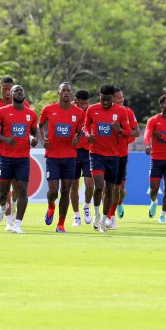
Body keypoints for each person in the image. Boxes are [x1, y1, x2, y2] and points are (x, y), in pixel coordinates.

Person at [0, 85, 38, 234]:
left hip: (23, 158)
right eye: (16, 90)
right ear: (10, 94)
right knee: (2, 193)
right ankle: (3, 207)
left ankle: (18, 224)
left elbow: (33, 133)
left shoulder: (31, 114)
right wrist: (4, 139)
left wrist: (34, 139)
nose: (19, 91)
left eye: (21, 90)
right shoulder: (2, 111)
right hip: (5, 157)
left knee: (22, 189)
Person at [0, 76, 30, 230]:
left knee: (18, 187)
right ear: (0, 88)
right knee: (4, 187)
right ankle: (8, 217)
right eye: (5, 88)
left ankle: (13, 209)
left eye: (11, 88)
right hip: (1, 150)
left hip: (20, 151)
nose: (8, 91)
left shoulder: (24, 105)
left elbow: (28, 126)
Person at [83, 84, 131, 232]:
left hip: (113, 156)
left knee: (109, 189)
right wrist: (87, 135)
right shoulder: (92, 109)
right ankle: (97, 215)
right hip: (96, 154)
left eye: (108, 99)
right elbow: (85, 127)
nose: (105, 102)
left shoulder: (121, 111)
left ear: (112, 99)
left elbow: (128, 131)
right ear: (99, 97)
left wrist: (120, 130)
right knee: (98, 187)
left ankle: (105, 220)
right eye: (102, 99)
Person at [38, 82, 84, 233]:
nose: (66, 92)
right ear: (58, 92)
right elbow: (40, 125)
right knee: (53, 191)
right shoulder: (48, 109)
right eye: (63, 90)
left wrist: (77, 138)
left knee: (65, 190)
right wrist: (43, 139)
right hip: (52, 156)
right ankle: (51, 206)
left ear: (71, 94)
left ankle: (61, 224)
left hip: (70, 157)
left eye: (68, 91)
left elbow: (80, 131)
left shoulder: (78, 112)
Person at [144, 94, 166, 224]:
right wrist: (148, 145)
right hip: (156, 160)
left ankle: (163, 215)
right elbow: (147, 133)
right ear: (162, 105)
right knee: (153, 190)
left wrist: (161, 136)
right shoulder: (153, 120)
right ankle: (154, 202)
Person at [112, 87, 140, 227]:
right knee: (106, 187)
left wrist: (122, 132)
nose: (122, 100)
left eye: (122, 97)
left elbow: (136, 132)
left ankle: (119, 204)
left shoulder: (128, 112)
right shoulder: (101, 112)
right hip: (104, 154)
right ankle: (108, 216)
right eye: (119, 98)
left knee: (120, 188)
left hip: (121, 154)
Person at [70, 89, 95, 227]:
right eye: (81, 103)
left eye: (86, 103)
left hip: (88, 152)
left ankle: (86, 206)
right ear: (76, 101)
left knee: (90, 184)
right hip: (73, 152)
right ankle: (76, 216)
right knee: (73, 185)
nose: (84, 106)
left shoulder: (91, 111)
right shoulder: (71, 111)